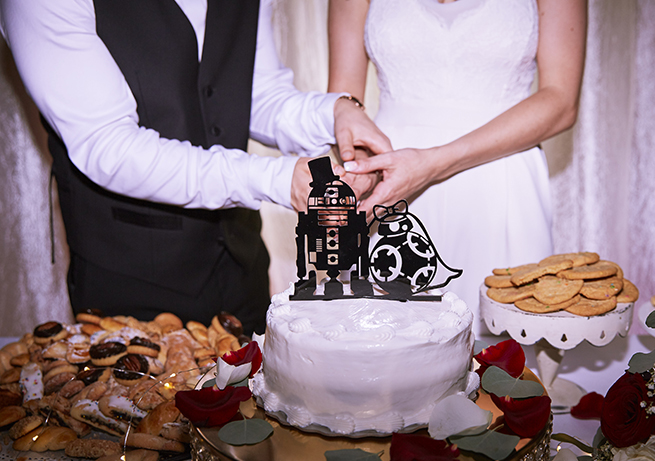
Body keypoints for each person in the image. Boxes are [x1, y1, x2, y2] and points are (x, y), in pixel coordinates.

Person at [0, 0, 390, 335]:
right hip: (131, 284)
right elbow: (109, 146)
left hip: (242, 266)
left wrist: (334, 112)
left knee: (254, 418)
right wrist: (277, 178)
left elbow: (257, 94)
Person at [328, 0, 587, 322]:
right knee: (384, 341)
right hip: (390, 187)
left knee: (504, 353)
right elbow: (342, 103)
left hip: (502, 179)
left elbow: (561, 101)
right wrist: (365, 171)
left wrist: (433, 164)